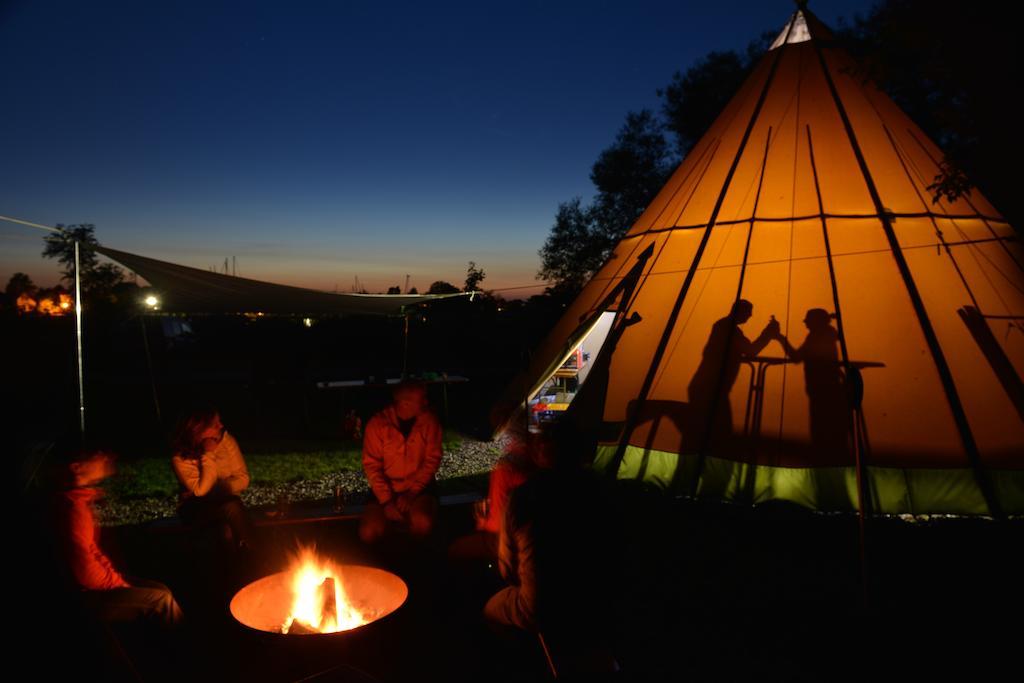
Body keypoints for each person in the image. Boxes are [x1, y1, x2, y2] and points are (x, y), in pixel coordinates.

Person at [53, 444, 183, 627]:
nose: (105, 457)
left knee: (160, 589)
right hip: (86, 598)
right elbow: (86, 573)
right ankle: (184, 648)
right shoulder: (73, 509)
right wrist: (119, 584)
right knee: (162, 600)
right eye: (97, 454)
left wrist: (117, 578)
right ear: (77, 467)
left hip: (95, 586)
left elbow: (92, 551)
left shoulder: (79, 500)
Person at [448, 423, 551, 565]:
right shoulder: (511, 467)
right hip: (499, 531)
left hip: (503, 535)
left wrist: (486, 525)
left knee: (455, 550)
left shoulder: (515, 470)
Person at [359, 382, 443, 543]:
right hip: (386, 490)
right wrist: (386, 502)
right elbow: (372, 466)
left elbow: (432, 461)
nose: (426, 402)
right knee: (368, 531)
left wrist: (412, 493)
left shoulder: (430, 422)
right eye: (422, 399)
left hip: (419, 489)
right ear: (405, 403)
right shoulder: (377, 424)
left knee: (422, 521)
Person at [686, 299, 780, 440]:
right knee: (719, 432)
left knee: (705, 433)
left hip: (706, 388)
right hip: (710, 390)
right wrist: (767, 334)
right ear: (740, 312)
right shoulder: (728, 329)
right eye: (748, 312)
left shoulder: (724, 326)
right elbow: (751, 351)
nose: (750, 316)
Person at [170, 405, 252, 549]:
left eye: (219, 421)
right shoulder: (180, 458)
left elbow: (243, 479)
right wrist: (208, 453)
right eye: (215, 424)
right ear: (199, 429)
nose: (221, 425)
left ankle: (247, 558)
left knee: (227, 523)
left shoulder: (227, 441)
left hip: (226, 505)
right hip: (196, 509)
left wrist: (212, 491)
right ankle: (253, 558)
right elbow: (201, 491)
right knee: (228, 516)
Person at [776, 308, 851, 458]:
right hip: (829, 389)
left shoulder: (817, 337)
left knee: (821, 430)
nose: (806, 324)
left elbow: (797, 357)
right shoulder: (826, 335)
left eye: (808, 321)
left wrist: (780, 338)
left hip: (821, 391)